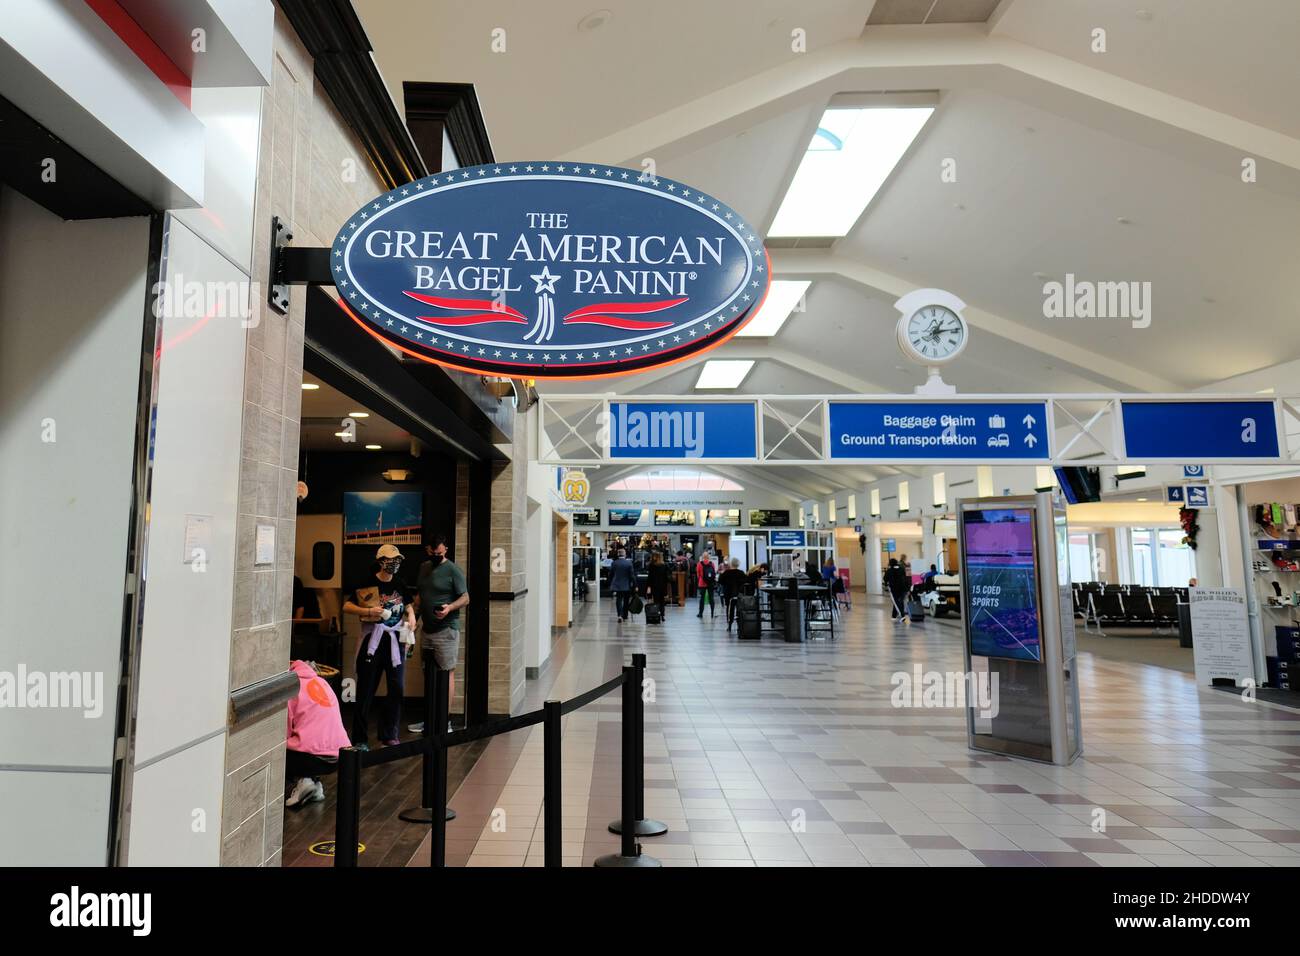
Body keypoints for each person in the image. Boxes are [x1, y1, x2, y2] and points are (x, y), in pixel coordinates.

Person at [342, 544, 414, 748]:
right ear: (381, 561)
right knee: (366, 690)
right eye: (390, 559)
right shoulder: (368, 583)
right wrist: (370, 611)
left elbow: (408, 605)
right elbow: (347, 606)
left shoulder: (400, 583)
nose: (394, 563)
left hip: (395, 642)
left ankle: (389, 734)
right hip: (372, 641)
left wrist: (411, 615)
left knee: (397, 688)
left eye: (398, 559)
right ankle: (360, 738)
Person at [414, 534, 470, 730]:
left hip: (446, 630)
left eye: (439, 553)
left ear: (445, 549)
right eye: (433, 552)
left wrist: (449, 608)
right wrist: (414, 618)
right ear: (428, 550)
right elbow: (420, 596)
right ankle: (430, 719)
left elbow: (465, 598)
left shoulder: (453, 570)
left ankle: (444, 721)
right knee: (427, 673)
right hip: (427, 630)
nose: (436, 555)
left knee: (447, 673)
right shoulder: (424, 568)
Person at [284, 659, 351, 808]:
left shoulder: (291, 687)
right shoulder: (323, 682)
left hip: (311, 757)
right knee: (313, 736)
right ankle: (315, 785)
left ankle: (305, 781)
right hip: (340, 755)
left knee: (279, 747)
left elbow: (285, 729)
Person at [720, 557, 747, 628]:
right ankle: (739, 624)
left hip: (728, 593)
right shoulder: (741, 573)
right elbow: (745, 581)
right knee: (739, 608)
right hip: (738, 593)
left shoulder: (726, 573)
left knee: (729, 608)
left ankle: (729, 624)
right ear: (738, 564)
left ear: (731, 564)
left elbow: (720, 581)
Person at [609, 548, 635, 622]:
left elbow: (611, 574)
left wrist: (611, 582)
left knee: (619, 599)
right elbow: (632, 575)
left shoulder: (614, 563)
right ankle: (625, 615)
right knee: (626, 600)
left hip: (617, 585)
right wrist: (634, 584)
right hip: (626, 585)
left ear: (618, 554)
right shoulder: (629, 563)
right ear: (625, 554)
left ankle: (619, 615)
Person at [884, 558, 910, 623]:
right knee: (899, 602)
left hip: (894, 589)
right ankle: (894, 616)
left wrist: (886, 584)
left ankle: (902, 615)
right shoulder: (901, 569)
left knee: (896, 602)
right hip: (903, 588)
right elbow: (905, 578)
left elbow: (885, 579)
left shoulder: (889, 570)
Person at [645, 551, 669, 618]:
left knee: (656, 600)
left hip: (654, 586)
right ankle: (662, 614)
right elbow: (666, 577)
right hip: (663, 586)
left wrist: (648, 586)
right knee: (662, 600)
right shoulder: (664, 566)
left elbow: (650, 577)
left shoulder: (651, 566)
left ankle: (657, 614)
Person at [697, 551, 717, 618]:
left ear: (702, 557)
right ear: (708, 557)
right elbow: (714, 573)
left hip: (702, 583)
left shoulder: (699, 564)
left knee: (702, 599)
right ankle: (712, 613)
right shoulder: (712, 564)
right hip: (710, 584)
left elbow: (698, 574)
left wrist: (701, 579)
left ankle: (700, 613)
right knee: (711, 598)